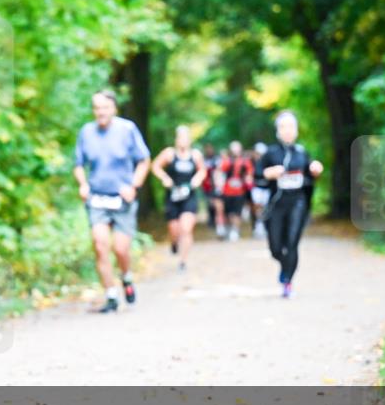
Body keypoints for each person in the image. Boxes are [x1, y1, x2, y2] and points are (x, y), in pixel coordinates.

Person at [73, 90, 151, 313]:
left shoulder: (127, 129)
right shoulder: (86, 132)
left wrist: (134, 185)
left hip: (122, 199)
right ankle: (111, 295)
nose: (101, 112)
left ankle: (126, 277)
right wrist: (83, 184)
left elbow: (144, 160)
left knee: (120, 248)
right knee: (100, 245)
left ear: (114, 109)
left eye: (105, 107)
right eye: (97, 108)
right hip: (97, 197)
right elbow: (78, 164)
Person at [255, 112, 324, 298]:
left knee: (292, 243)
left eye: (291, 126)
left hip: (298, 204)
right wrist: (268, 173)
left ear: (296, 130)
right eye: (283, 126)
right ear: (277, 130)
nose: (287, 130)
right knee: (275, 248)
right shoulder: (270, 153)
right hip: (276, 205)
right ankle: (285, 266)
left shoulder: (302, 153)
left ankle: (287, 281)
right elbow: (256, 176)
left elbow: (310, 176)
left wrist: (315, 170)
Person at [151, 126, 207, 271]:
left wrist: (197, 179)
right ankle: (174, 242)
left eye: (185, 138)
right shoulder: (169, 153)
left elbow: (202, 170)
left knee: (186, 229)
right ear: (176, 139)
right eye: (180, 138)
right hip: (172, 196)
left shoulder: (195, 155)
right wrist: (164, 178)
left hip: (189, 196)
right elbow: (155, 166)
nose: (183, 141)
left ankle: (183, 262)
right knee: (174, 230)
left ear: (190, 140)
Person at [219, 141, 253, 241]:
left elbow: (249, 174)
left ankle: (235, 230)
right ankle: (230, 228)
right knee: (229, 212)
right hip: (227, 191)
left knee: (238, 212)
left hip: (240, 192)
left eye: (237, 148)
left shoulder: (245, 162)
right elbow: (220, 173)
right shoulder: (226, 161)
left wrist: (248, 181)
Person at [250, 141, 270, 238]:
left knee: (266, 207)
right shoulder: (251, 162)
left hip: (267, 188)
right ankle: (259, 225)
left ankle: (264, 226)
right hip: (256, 188)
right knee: (257, 207)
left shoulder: (269, 162)